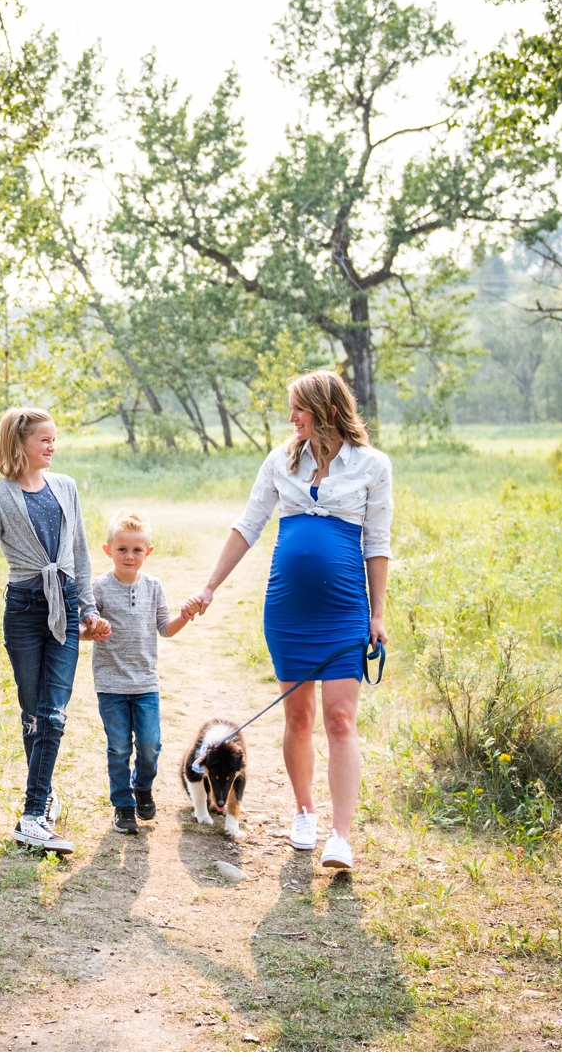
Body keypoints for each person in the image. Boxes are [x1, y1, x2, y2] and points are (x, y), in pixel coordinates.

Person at [183, 370, 391, 872]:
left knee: (340, 718)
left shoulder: (372, 465)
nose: (291, 417)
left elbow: (378, 542)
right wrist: (210, 586)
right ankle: (304, 812)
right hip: (288, 610)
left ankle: (341, 836)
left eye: (298, 408)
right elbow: (248, 526)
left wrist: (378, 614)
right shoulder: (281, 461)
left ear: (326, 411)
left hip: (345, 609)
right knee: (298, 717)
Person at [0, 407, 111, 854]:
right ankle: (45, 794)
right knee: (32, 712)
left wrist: (88, 608)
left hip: (66, 605)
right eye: (44, 440)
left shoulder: (66, 487)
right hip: (25, 608)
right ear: (19, 444)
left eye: (54, 439)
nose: (52, 446)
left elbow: (82, 554)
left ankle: (32, 815)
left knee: (53, 711)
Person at [87, 510, 196, 835]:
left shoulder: (153, 587)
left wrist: (184, 616)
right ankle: (123, 804)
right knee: (119, 747)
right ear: (108, 551)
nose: (129, 556)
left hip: (146, 683)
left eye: (137, 550)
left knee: (150, 744)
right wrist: (93, 627)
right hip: (111, 683)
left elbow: (166, 628)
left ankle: (143, 787)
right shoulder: (100, 588)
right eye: (122, 549)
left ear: (148, 552)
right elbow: (82, 628)